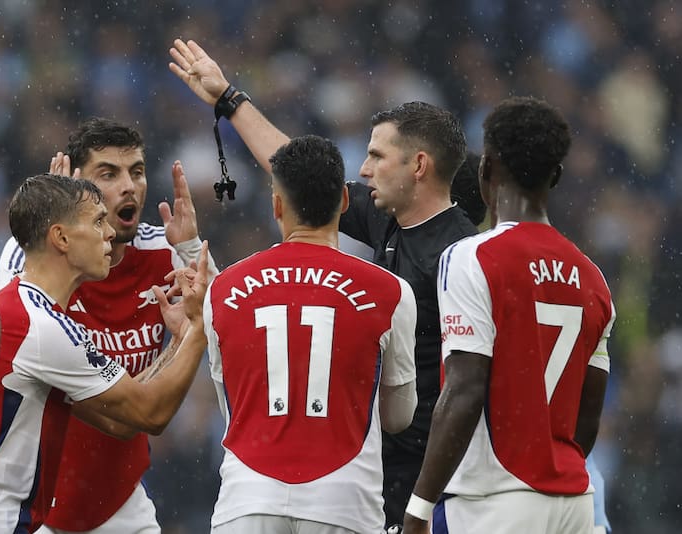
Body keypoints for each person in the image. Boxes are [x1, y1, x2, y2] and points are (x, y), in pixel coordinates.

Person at [169, 39, 479, 527]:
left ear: (418, 167)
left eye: (377, 156)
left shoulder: (460, 257)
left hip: (424, 475)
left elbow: (475, 378)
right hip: (371, 463)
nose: (364, 169)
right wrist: (229, 98)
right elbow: (300, 177)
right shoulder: (390, 217)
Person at [0, 173, 211, 533]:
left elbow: (119, 421)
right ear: (61, 238)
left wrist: (178, 340)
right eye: (97, 222)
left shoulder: (25, 311)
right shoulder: (42, 328)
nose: (109, 233)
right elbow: (150, 413)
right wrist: (199, 327)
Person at [402, 96, 615, 534]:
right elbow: (588, 414)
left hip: (494, 503)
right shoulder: (593, 278)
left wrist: (419, 507)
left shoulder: (471, 258)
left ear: (486, 168)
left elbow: (464, 390)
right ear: (556, 176)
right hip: (574, 501)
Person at [0, 117, 216, 534]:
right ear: (77, 186)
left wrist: (191, 248)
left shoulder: (163, 251)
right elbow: (116, 413)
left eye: (137, 171)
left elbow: (228, 330)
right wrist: (57, 226)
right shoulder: (27, 258)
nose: (129, 186)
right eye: (109, 174)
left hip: (119, 499)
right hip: (32, 500)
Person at [203, 134, 417, 533]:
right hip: (344, 502)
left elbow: (231, 406)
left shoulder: (223, 290)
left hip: (247, 500)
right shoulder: (389, 291)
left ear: (276, 206)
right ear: (345, 201)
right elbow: (398, 417)